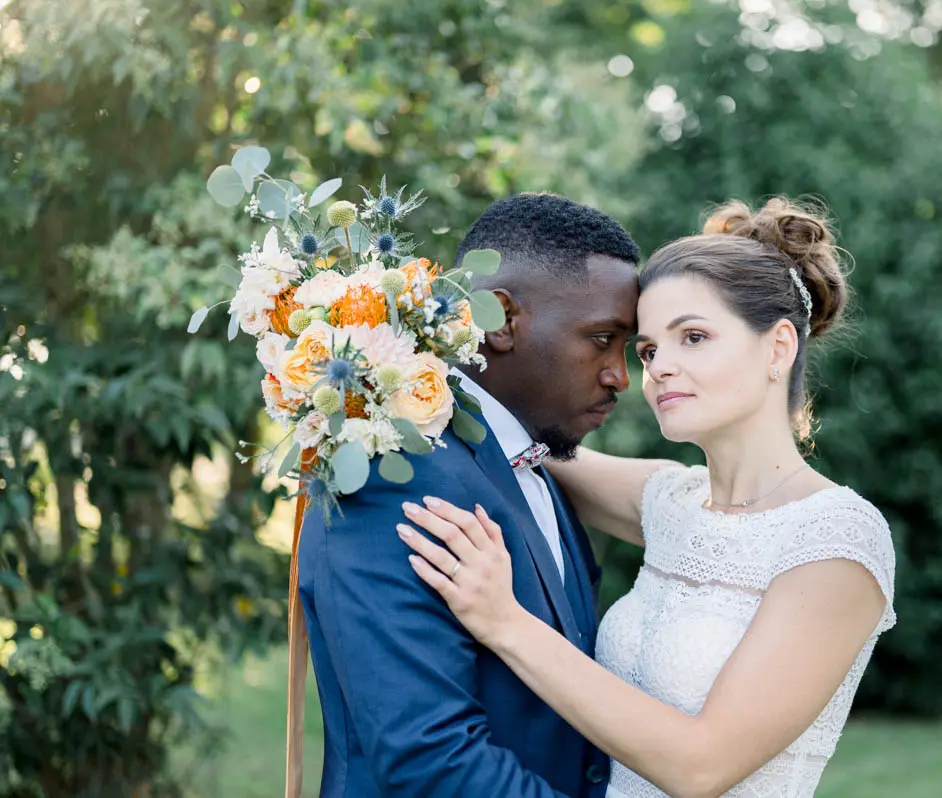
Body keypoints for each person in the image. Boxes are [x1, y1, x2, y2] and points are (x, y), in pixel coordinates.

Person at [398, 198, 898, 798]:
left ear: (779, 347)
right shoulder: (674, 501)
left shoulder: (836, 541)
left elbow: (701, 766)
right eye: (650, 350)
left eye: (693, 336)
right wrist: (374, 376)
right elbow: (518, 439)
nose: (657, 368)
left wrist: (505, 623)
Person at [297, 193, 647, 797]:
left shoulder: (533, 460)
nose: (619, 374)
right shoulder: (391, 474)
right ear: (501, 321)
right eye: (601, 339)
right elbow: (431, 758)